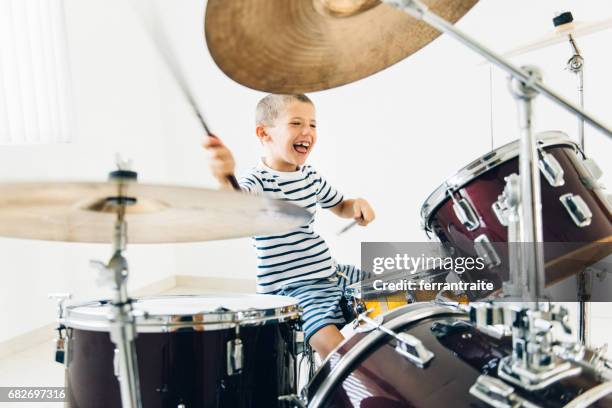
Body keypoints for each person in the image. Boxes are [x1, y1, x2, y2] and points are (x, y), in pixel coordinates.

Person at [202, 93, 374, 358]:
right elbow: (237, 204)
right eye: (296, 123)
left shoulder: (310, 176)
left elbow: (340, 206)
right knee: (339, 352)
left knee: (395, 296)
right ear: (264, 133)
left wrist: (357, 205)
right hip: (293, 289)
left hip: (333, 273)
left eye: (313, 125)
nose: (307, 131)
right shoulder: (259, 181)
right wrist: (225, 176)